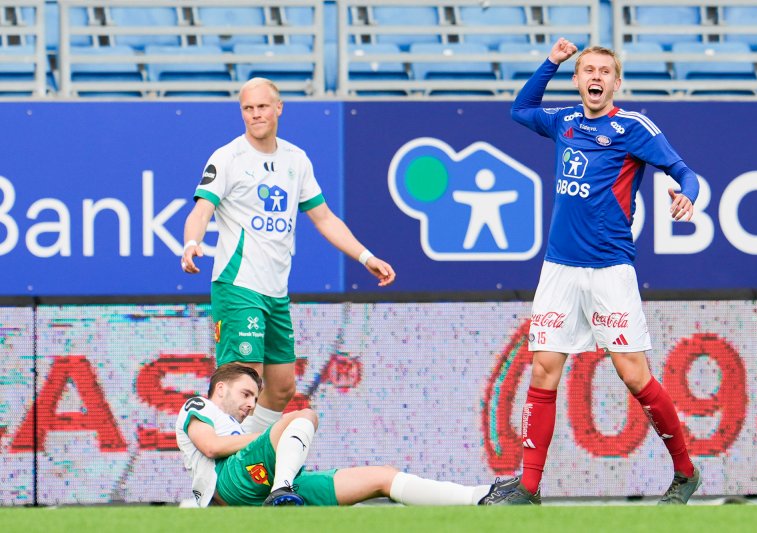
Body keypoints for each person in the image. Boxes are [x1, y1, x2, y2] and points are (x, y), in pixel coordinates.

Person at [489, 39, 702, 506]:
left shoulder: (632, 127)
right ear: (578, 79)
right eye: (588, 70)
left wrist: (688, 195)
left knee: (634, 375)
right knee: (544, 369)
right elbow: (520, 109)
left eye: (605, 71)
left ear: (616, 82)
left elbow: (685, 172)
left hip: (609, 270)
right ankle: (528, 486)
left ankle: (686, 473)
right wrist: (550, 62)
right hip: (559, 270)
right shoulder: (563, 121)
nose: (596, 77)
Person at [181, 78, 396, 434]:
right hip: (238, 286)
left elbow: (324, 217)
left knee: (281, 388)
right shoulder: (228, 157)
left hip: (275, 293)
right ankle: (222, 473)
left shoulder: (296, 159)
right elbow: (201, 210)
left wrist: (365, 256)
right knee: (242, 384)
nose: (255, 115)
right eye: (248, 109)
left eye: (262, 107)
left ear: (278, 108)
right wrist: (191, 243)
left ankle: (247, 453)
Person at [176, 363, 518, 507]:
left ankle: (482, 496)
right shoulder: (200, 405)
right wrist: (273, 434)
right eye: (245, 394)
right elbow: (213, 446)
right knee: (302, 415)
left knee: (381, 478)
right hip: (232, 483)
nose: (251, 404)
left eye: (254, 397)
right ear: (220, 388)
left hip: (249, 497)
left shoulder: (234, 423)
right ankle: (283, 489)